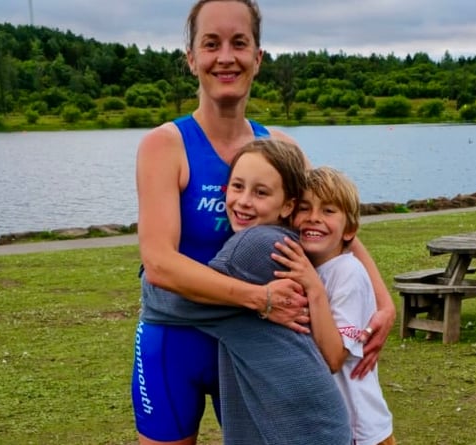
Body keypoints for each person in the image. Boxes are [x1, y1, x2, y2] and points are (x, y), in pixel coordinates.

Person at [133, 0, 394, 443]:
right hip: (178, 342)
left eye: (240, 43)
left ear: (258, 57)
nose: (226, 57)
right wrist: (258, 297)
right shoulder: (165, 145)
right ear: (192, 58)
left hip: (261, 348)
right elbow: (159, 264)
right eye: (211, 44)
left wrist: (383, 302)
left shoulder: (280, 147)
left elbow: (327, 224)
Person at [198, 138, 351, 443]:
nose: (243, 201)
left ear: (288, 206)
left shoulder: (255, 246)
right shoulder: (285, 241)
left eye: (261, 192)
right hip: (309, 421)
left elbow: (167, 299)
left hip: (302, 429)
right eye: (237, 186)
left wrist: (154, 269)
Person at [272, 166, 396, 445]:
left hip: (359, 430)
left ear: (349, 230)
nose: (314, 218)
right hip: (323, 425)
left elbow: (334, 358)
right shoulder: (308, 269)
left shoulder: (348, 273)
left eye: (329, 211)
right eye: (305, 208)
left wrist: (314, 289)